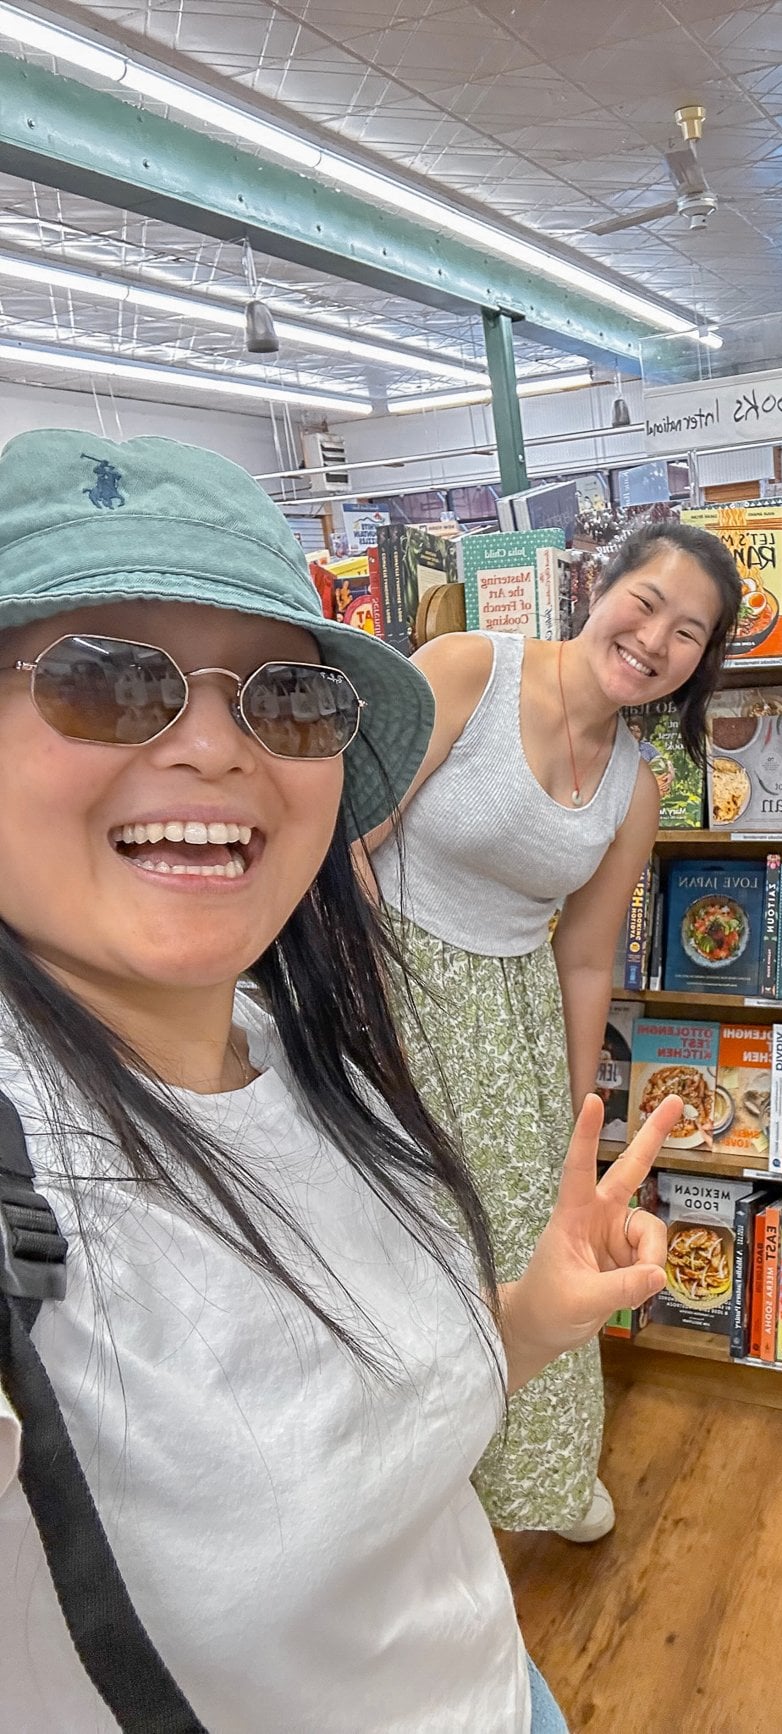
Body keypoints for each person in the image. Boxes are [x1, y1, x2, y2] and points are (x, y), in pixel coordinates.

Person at [0, 429, 678, 1733]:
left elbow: (373, 1430)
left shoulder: (308, 1049)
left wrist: (531, 1314)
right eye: (107, 678)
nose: (217, 747)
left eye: (286, 699)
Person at [371, 523, 741, 1540]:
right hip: (387, 983)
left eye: (688, 633)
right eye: (646, 603)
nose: (655, 639)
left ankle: (538, 1476)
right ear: (598, 587)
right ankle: (405, 1494)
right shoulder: (465, 670)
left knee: (535, 1239)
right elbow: (348, 844)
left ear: (699, 662)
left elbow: (584, 957)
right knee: (399, 1238)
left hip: (515, 1028)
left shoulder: (634, 787)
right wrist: (363, 1011)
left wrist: (576, 1105)